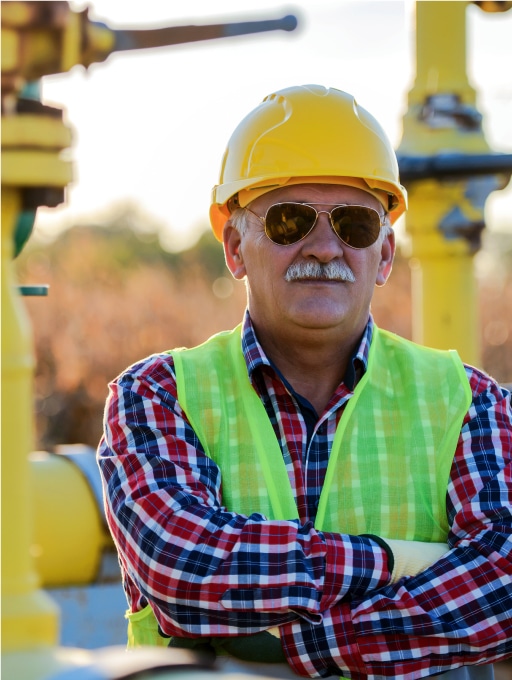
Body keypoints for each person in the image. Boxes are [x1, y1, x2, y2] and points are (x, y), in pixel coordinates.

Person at [97, 85, 512, 680]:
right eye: (289, 221)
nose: (324, 246)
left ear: (386, 255)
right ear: (237, 247)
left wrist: (312, 646)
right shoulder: (157, 396)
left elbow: (505, 584)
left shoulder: (467, 401)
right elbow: (184, 567)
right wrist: (398, 563)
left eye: (355, 223)